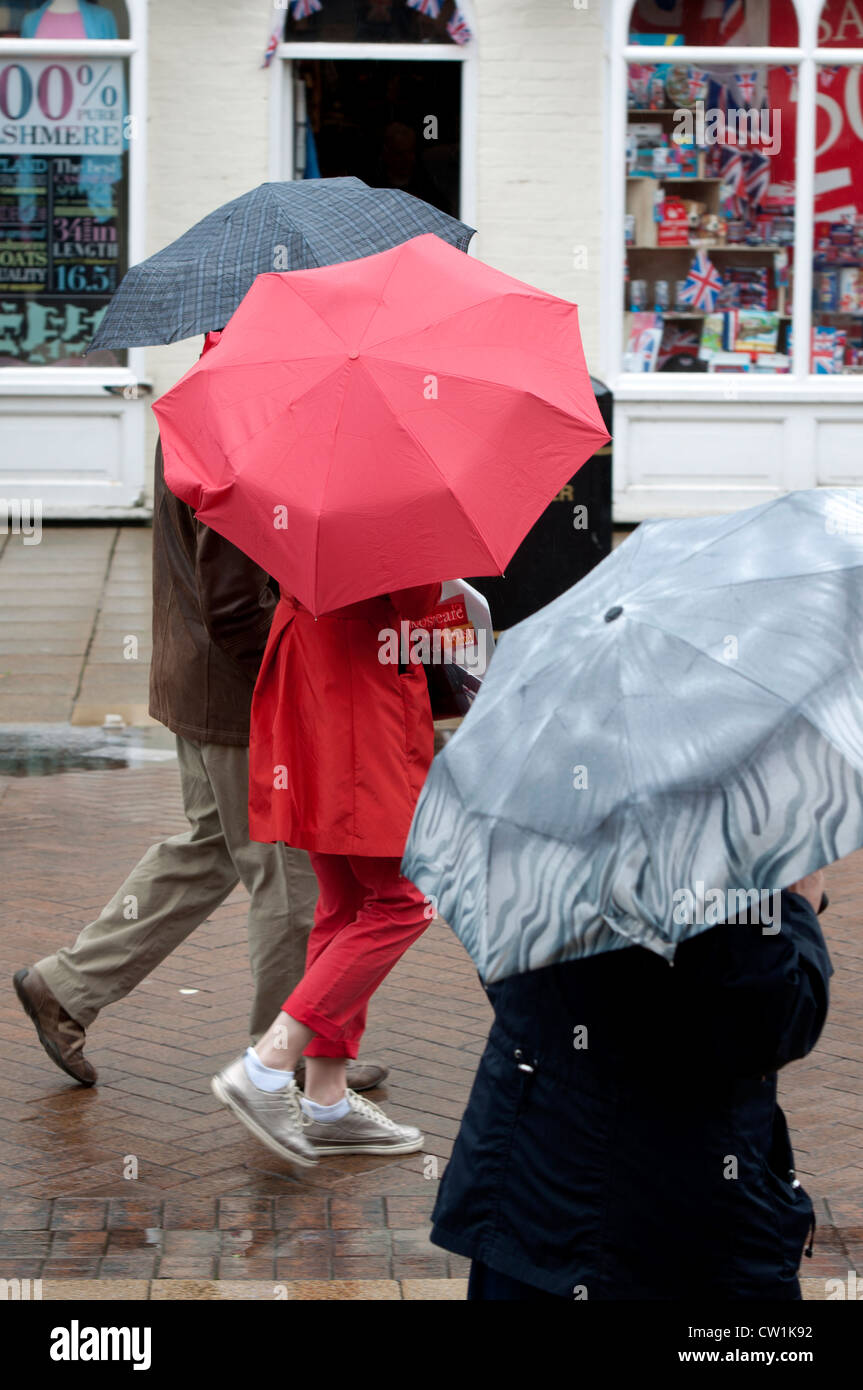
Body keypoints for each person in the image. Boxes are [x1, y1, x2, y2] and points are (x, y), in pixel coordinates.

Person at [14, 362, 387, 1095]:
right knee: (290, 877)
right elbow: (235, 606)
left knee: (209, 849)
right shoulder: (245, 431)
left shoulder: (202, 404)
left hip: (199, 685)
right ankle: (284, 1053)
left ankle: (66, 987)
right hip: (244, 699)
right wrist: (300, 680)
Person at [429, 870, 832, 1300]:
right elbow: (767, 1026)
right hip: (670, 1219)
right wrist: (796, 908)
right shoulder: (715, 839)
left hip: (526, 1185)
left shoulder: (534, 814)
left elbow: (497, 961)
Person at [211, 582, 441, 1167]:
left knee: (344, 901)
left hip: (315, 683)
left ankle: (327, 1100)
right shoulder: (393, 498)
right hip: (361, 698)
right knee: (404, 900)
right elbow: (415, 599)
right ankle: (267, 1065)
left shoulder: (307, 501)